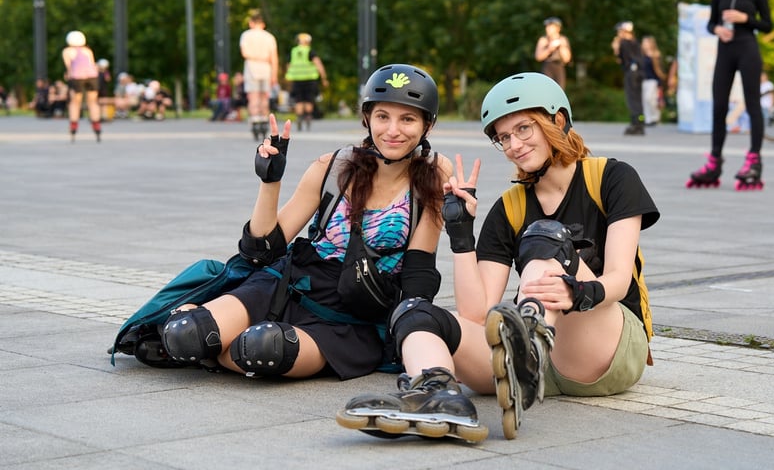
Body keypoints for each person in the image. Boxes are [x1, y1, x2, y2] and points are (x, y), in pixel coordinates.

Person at [150, 64, 493, 436]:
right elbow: (262, 248)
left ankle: (218, 348)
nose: (393, 130)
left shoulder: (433, 173)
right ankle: (205, 336)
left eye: (407, 119)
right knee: (185, 334)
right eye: (382, 116)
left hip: (352, 315)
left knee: (263, 349)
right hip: (287, 285)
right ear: (367, 118)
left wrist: (409, 332)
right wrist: (270, 180)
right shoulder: (333, 166)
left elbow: (418, 271)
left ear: (427, 126)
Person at [340, 72, 659, 442]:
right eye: (504, 138)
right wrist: (460, 234)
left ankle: (528, 340)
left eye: (524, 129)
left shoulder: (611, 177)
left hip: (605, 348)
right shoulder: (510, 206)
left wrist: (576, 292)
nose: (514, 145)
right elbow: (477, 312)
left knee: (545, 235)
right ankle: (436, 395)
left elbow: (619, 280)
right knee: (415, 312)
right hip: (530, 371)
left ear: (557, 120)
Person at [688, 0, 772, 190]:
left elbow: (767, 24)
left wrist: (747, 19)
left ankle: (754, 160)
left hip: (748, 48)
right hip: (725, 50)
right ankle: (714, 161)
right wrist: (717, 29)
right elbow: (711, 23)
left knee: (753, 104)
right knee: (719, 106)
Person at [240, 10, 279, 140]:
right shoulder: (269, 37)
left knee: (253, 96)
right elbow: (274, 57)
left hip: (251, 68)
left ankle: (255, 119)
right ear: (263, 24)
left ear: (251, 23)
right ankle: (263, 119)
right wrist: (274, 74)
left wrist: (256, 56)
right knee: (264, 97)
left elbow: (245, 53)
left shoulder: (246, 35)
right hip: (266, 69)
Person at [62, 30, 103, 142]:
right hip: (92, 77)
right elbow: (92, 64)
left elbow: (69, 67)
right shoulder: (88, 50)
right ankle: (96, 126)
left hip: (77, 77)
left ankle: (73, 126)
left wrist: (68, 75)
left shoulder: (67, 51)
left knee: (75, 102)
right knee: (92, 102)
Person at [285, 32, 329, 131]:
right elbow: (318, 64)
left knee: (298, 100)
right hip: (310, 79)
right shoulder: (310, 51)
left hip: (296, 80)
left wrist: (288, 77)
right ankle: (308, 116)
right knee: (309, 99)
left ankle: (300, 117)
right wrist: (324, 78)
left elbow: (288, 65)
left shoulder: (293, 51)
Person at [611, 21, 645, 135]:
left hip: (631, 73)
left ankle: (635, 123)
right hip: (639, 72)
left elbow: (620, 58)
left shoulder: (624, 43)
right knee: (638, 99)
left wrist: (616, 47)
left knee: (632, 98)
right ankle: (640, 122)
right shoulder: (635, 42)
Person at [534, 17, 572, 90]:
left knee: (560, 90)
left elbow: (567, 59)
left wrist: (560, 46)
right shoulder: (543, 40)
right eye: (547, 26)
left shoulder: (563, 39)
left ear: (557, 28)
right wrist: (549, 49)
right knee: (547, 90)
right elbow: (538, 57)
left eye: (550, 26)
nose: (547, 29)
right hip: (547, 67)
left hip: (559, 67)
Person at [640, 36, 666, 126]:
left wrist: (660, 83)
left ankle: (655, 117)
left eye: (646, 43)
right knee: (644, 101)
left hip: (652, 80)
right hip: (644, 81)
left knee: (651, 99)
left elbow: (659, 70)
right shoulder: (641, 55)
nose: (644, 45)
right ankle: (647, 119)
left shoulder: (655, 55)